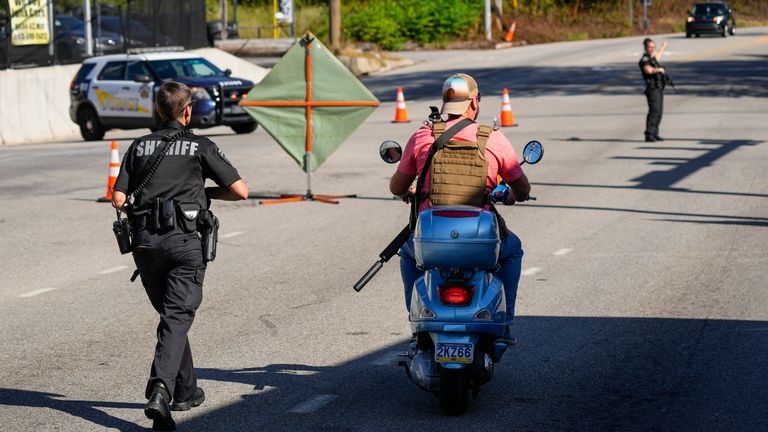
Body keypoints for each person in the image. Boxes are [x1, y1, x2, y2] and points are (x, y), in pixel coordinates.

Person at [111, 82, 248, 431]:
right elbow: (241, 191)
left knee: (173, 317)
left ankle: (185, 391)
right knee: (175, 318)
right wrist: (204, 194)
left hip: (145, 246)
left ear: (158, 111)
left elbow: (117, 198)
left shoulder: (138, 146)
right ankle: (160, 390)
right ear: (187, 111)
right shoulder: (200, 145)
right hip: (184, 243)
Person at [388, 73, 531, 336]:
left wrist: (415, 189)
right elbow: (522, 189)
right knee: (513, 250)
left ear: (445, 103)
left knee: (408, 253)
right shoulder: (493, 138)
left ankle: (416, 318)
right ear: (474, 103)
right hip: (478, 239)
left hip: (432, 240)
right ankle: (505, 320)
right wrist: (511, 194)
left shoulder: (423, 136)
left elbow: (397, 188)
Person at [639, 38, 669, 142]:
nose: (652, 49)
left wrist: (663, 47)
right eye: (650, 47)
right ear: (645, 48)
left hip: (658, 88)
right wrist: (658, 69)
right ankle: (649, 134)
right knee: (654, 111)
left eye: (653, 47)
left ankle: (655, 133)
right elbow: (648, 70)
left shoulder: (651, 59)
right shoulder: (645, 59)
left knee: (659, 112)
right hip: (652, 89)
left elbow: (657, 57)